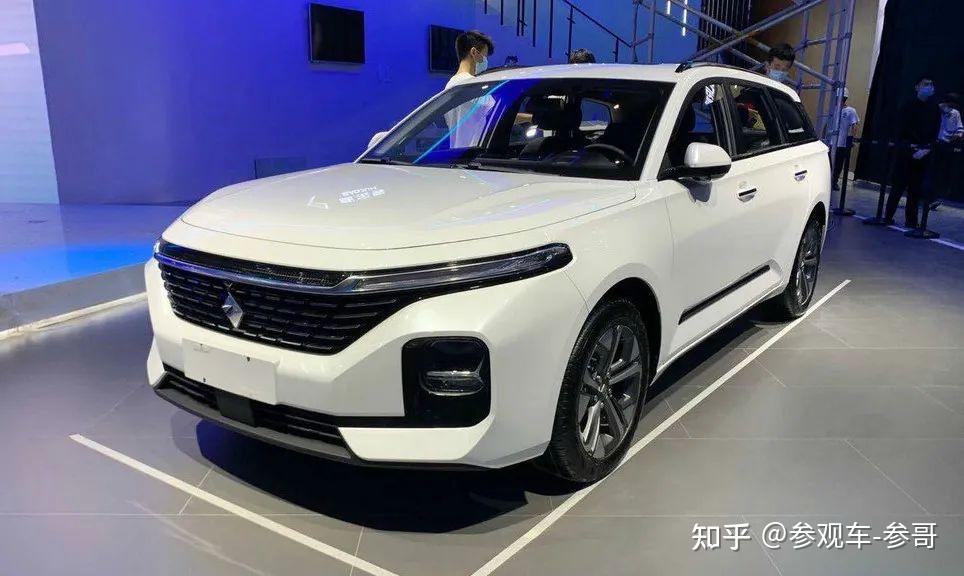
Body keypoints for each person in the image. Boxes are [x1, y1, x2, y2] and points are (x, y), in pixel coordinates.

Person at [884, 77, 942, 228]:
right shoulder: (907, 106)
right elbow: (899, 130)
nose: (929, 87)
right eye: (926, 84)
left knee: (915, 190)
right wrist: (908, 149)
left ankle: (911, 221)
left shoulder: (935, 109)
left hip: (923, 153)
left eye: (931, 85)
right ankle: (888, 216)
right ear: (917, 87)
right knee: (898, 187)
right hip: (905, 152)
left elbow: (935, 132)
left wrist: (926, 150)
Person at [928, 93, 964, 210]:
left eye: (953, 106)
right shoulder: (935, 110)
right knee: (930, 171)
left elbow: (960, 129)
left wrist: (958, 135)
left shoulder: (955, 113)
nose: (951, 107)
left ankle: (935, 198)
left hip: (945, 145)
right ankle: (926, 197)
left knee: (940, 173)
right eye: (949, 104)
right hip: (933, 144)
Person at [832, 87, 860, 191]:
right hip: (831, 142)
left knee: (838, 164)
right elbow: (828, 123)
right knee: (829, 163)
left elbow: (854, 125)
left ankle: (834, 182)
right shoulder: (833, 109)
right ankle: (829, 181)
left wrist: (852, 139)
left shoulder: (850, 111)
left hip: (842, 143)